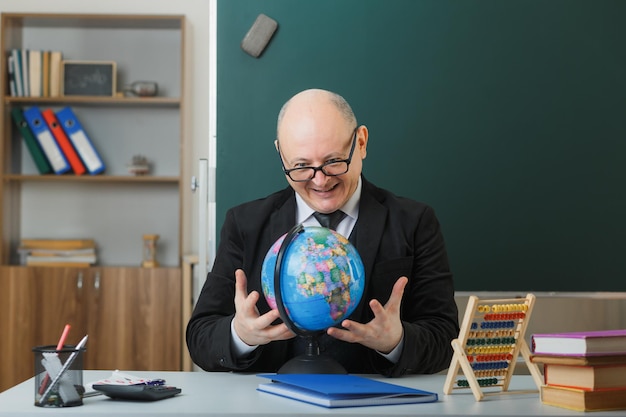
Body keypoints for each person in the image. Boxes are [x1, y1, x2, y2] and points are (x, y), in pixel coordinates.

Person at [186, 88, 459, 377]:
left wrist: (396, 342)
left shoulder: (414, 222)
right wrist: (240, 335)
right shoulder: (245, 224)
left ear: (361, 142)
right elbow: (200, 338)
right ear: (282, 155)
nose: (320, 180)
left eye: (333, 161)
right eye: (301, 166)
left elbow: (445, 339)